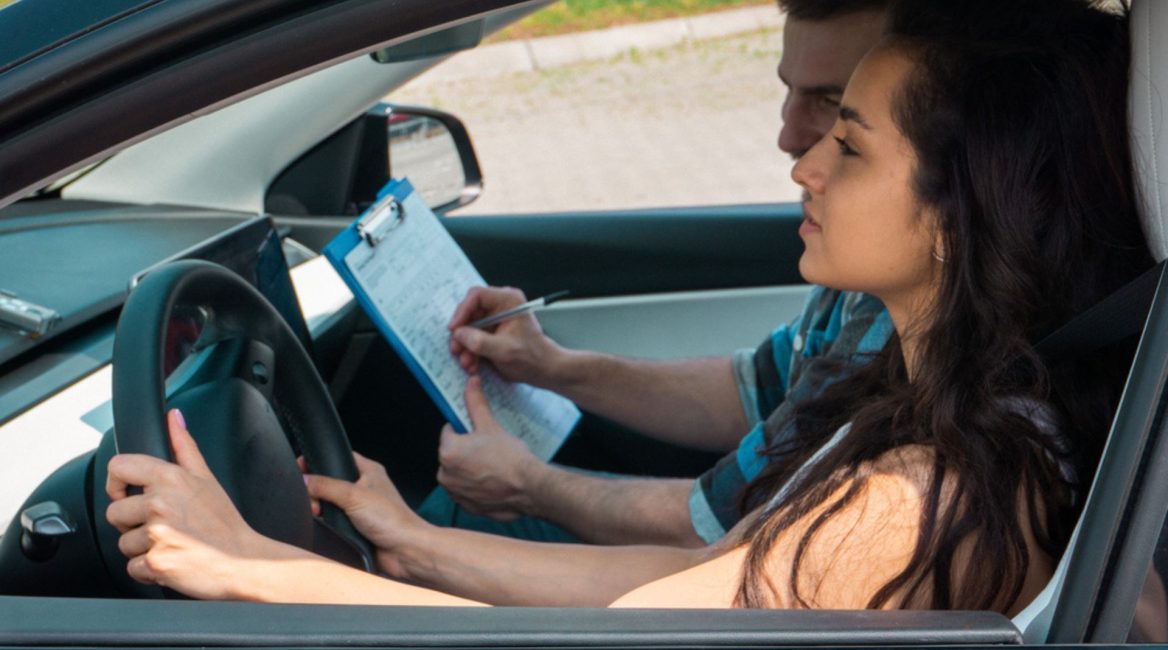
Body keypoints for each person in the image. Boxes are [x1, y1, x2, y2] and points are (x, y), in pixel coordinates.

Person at [106, 0, 1153, 611]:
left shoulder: (925, 497)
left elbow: (641, 626)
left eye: (848, 139)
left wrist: (257, 567)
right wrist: (404, 537)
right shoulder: (934, 406)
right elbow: (708, 573)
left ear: (954, 212)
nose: (800, 164)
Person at [418, 0, 895, 548]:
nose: (788, 141)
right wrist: (550, 366)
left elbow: (724, 532)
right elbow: (762, 389)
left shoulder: (900, 324)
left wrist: (524, 488)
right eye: (787, 90)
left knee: (445, 524)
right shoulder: (859, 284)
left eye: (832, 103)